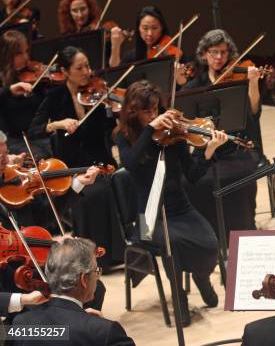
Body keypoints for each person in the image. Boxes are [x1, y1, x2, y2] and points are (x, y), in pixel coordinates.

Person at [115, 80, 226, 326]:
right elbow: (130, 164)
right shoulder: (124, 137)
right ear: (134, 112)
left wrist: (208, 151)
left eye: (156, 109)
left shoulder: (173, 135)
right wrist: (148, 131)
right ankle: (180, 300)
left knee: (210, 244)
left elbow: (193, 176)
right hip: (147, 217)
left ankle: (201, 277)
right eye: (147, 111)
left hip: (180, 209)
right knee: (171, 244)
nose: (154, 116)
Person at [28, 46, 122, 268]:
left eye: (88, 66)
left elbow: (109, 132)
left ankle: (117, 254)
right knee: (91, 194)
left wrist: (116, 114)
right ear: (65, 71)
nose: (87, 72)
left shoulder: (97, 94)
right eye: (79, 68)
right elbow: (34, 130)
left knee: (110, 186)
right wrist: (58, 124)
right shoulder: (55, 97)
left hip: (102, 161)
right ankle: (96, 257)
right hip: (72, 167)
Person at [180, 29, 261, 236]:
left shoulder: (237, 81)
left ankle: (242, 233)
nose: (218, 58)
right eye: (214, 52)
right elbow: (184, 123)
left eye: (223, 53)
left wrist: (252, 83)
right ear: (204, 54)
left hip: (236, 148)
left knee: (241, 178)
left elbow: (253, 112)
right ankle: (212, 234)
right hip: (205, 150)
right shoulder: (194, 86)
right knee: (195, 182)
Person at [12, 238, 135, 345]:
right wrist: (99, 326)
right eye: (96, 271)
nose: (97, 277)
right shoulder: (106, 332)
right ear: (83, 280)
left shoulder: (20, 324)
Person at [0, 30, 51, 159]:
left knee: (60, 150)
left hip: (39, 135)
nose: (26, 57)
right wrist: (9, 90)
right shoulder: (2, 80)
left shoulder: (35, 75)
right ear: (7, 55)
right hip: (16, 139)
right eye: (19, 53)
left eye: (26, 51)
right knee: (41, 157)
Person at [108, 5, 181, 68]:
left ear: (162, 28)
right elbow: (115, 73)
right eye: (145, 28)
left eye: (155, 28)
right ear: (138, 28)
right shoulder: (132, 56)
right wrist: (115, 46)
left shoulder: (172, 52)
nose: (149, 33)